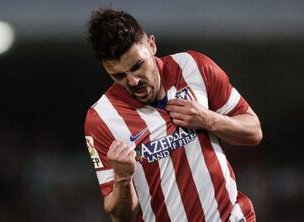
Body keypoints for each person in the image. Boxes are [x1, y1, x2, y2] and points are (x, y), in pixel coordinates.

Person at [83, 8, 262, 222]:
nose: (133, 81)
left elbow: (254, 131)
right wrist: (122, 178)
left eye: (137, 66)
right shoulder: (101, 119)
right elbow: (122, 217)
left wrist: (209, 119)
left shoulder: (194, 67)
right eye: (119, 75)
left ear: (151, 45)